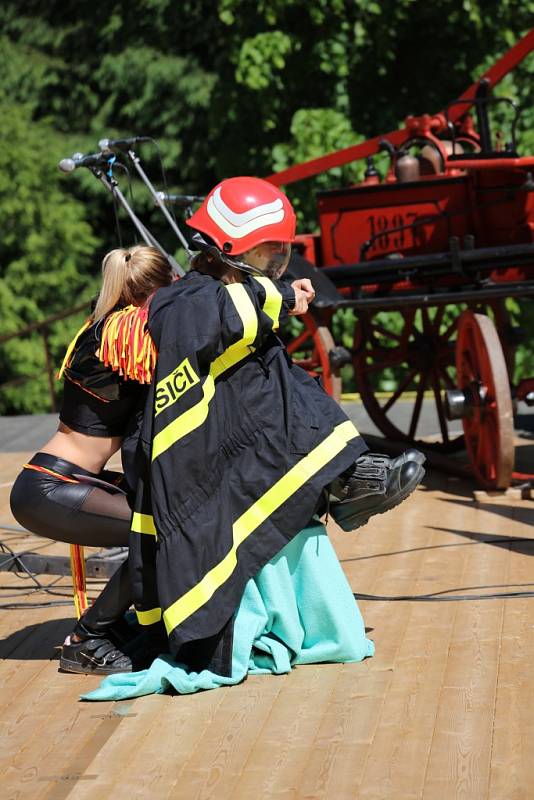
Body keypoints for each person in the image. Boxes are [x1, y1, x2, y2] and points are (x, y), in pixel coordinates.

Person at [110, 177, 425, 692]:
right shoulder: (186, 298)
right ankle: (342, 482)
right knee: (271, 374)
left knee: (275, 368)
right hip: (184, 477)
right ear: (231, 248)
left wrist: (276, 297)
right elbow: (221, 318)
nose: (277, 262)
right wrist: (278, 295)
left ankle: (341, 481)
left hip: (214, 449)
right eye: (268, 251)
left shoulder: (216, 295)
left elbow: (237, 320)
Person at [10, 244, 174, 674]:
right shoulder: (121, 333)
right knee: (158, 530)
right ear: (153, 293)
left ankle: (116, 623)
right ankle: (87, 638)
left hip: (70, 480)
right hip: (50, 488)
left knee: (172, 517)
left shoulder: (102, 327)